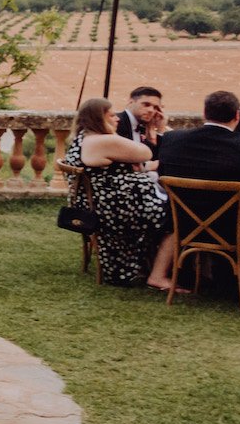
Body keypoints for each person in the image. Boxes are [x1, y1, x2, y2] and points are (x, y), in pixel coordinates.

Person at [157, 89, 240, 277]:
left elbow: (162, 177)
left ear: (205, 113)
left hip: (183, 224)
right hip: (237, 230)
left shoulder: (173, 140)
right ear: (237, 116)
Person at [64, 97, 174, 290]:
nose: (117, 119)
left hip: (95, 204)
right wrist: (158, 130)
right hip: (113, 209)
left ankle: (150, 266)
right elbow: (146, 152)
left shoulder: (82, 138)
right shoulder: (102, 140)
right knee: (176, 218)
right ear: (99, 119)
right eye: (112, 115)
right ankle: (160, 274)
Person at [113, 86, 164, 157]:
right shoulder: (115, 123)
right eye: (146, 104)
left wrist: (160, 130)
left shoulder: (145, 128)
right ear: (131, 102)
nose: (151, 110)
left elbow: (158, 158)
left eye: (155, 107)